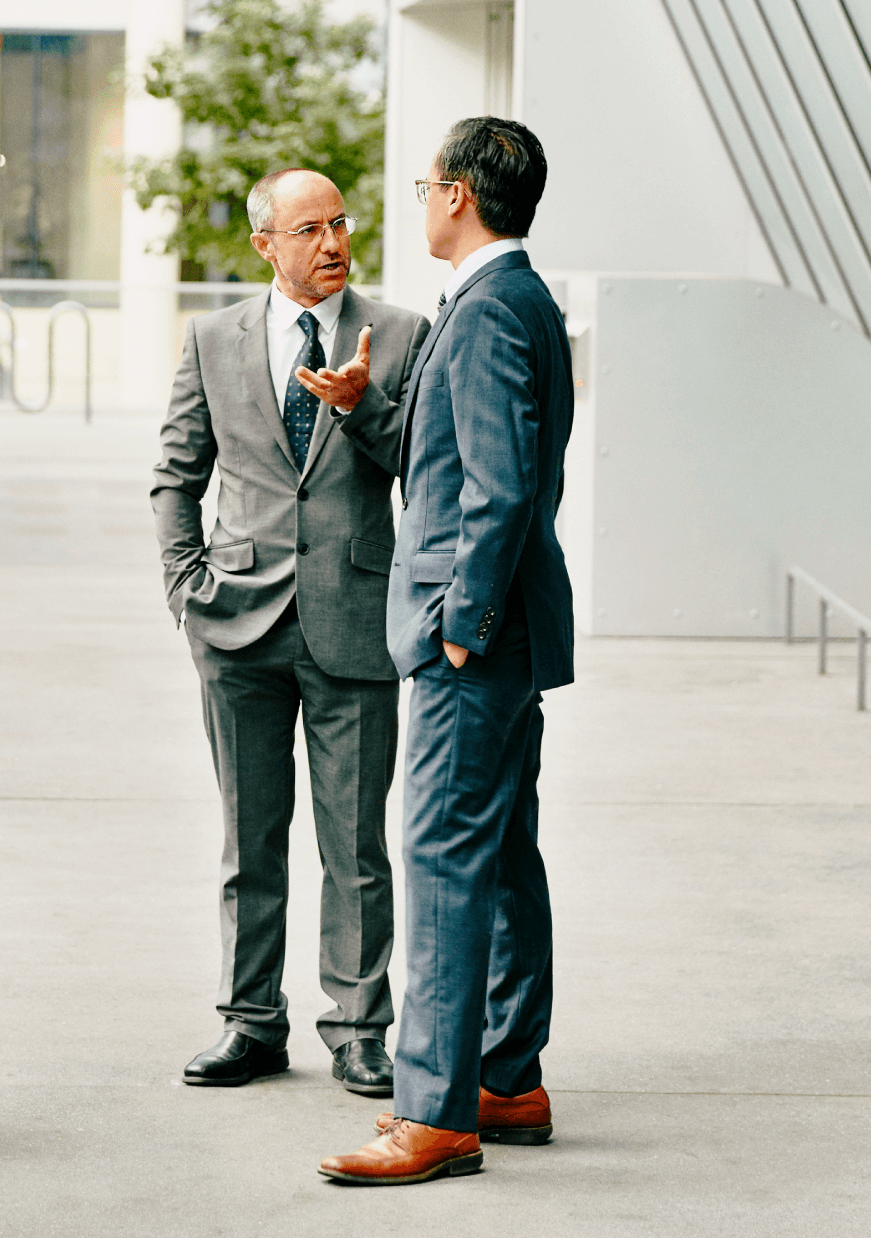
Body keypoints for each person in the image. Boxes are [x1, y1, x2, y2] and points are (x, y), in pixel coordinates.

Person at [319, 118, 574, 1184]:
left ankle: (432, 1112)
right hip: (507, 639)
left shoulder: (485, 310)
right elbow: (458, 459)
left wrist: (458, 633)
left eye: (427, 184)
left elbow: (501, 489)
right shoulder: (511, 299)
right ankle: (506, 1078)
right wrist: (370, 408)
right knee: (503, 853)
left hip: (471, 643)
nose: (419, 199)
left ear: (461, 196)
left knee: (441, 862)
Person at [153, 168, 430, 1097]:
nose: (332, 242)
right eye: (308, 228)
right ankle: (249, 1022)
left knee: (354, 845)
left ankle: (358, 1030)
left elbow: (422, 471)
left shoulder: (396, 335)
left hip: (354, 622)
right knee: (250, 839)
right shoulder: (213, 337)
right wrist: (186, 590)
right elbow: (175, 474)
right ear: (265, 244)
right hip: (237, 626)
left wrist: (361, 406)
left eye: (340, 223)